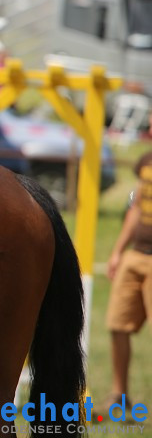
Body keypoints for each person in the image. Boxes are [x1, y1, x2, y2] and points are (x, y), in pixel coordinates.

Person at [104, 151, 152, 410]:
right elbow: (136, 208)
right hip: (136, 254)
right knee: (117, 325)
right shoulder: (145, 161)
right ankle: (119, 397)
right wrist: (117, 252)